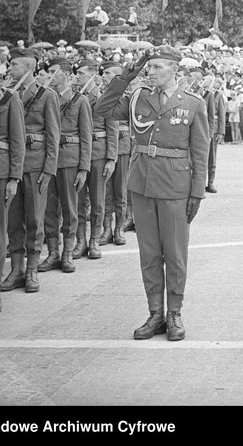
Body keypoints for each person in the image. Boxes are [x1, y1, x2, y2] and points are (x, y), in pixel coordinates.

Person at [96, 46, 209, 342]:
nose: (152, 72)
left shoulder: (193, 104)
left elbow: (200, 151)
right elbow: (102, 108)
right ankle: (155, 312)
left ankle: (174, 313)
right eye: (150, 67)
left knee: (174, 253)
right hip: (142, 183)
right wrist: (127, 75)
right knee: (149, 254)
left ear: (176, 72)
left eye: (159, 67)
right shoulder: (137, 98)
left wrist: (197, 191)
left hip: (176, 185)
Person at [2, 47, 59, 294]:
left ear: (27, 67)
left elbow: (53, 135)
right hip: (13, 165)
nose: (9, 69)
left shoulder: (46, 96)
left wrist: (49, 170)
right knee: (13, 219)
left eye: (13, 65)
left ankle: (32, 269)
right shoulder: (7, 94)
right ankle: (16, 268)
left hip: (36, 165)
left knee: (35, 219)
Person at [37, 58, 91, 272]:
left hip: (69, 160)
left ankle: (67, 253)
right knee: (49, 209)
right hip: (47, 160)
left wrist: (84, 168)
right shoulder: (43, 99)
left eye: (52, 71)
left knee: (70, 208)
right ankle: (52, 252)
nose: (49, 75)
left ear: (66, 74)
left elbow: (86, 137)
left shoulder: (79, 101)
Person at [77, 58, 118, 259]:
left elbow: (112, 128)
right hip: (79, 153)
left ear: (92, 75)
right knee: (77, 200)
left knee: (98, 199)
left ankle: (94, 240)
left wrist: (111, 158)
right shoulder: (75, 97)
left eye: (81, 74)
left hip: (99, 153)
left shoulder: (104, 97)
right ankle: (80, 240)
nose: (77, 78)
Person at [98, 60, 131, 246]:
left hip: (124, 147)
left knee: (120, 190)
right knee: (106, 191)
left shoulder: (128, 97)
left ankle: (119, 228)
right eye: (104, 73)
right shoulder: (101, 96)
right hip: (105, 148)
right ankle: (106, 229)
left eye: (109, 73)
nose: (104, 76)